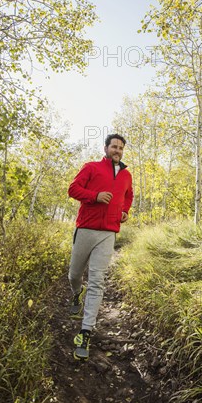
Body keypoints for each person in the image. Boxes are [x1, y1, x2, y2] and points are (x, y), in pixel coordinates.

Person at [67, 133, 133, 360]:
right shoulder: (91, 167)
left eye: (121, 148)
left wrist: (125, 211)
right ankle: (77, 294)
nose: (117, 150)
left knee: (97, 281)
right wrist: (95, 196)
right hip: (85, 229)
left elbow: (129, 196)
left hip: (109, 233)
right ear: (105, 148)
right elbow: (73, 189)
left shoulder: (126, 175)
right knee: (74, 275)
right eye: (114, 146)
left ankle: (85, 332)